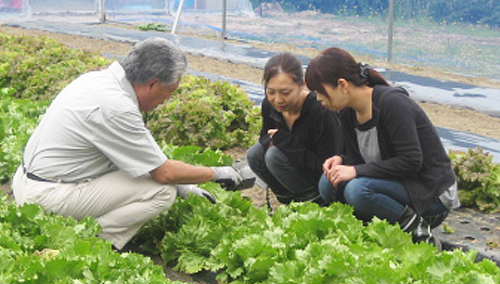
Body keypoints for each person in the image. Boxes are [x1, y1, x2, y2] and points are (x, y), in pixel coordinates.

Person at [12, 37, 243, 250]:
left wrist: (186, 185)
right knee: (161, 192)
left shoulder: (97, 81)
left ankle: (85, 234)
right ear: (152, 84)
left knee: (159, 182)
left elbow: (138, 158)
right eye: (170, 92)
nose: (167, 100)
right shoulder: (116, 107)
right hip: (47, 196)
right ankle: (91, 242)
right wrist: (217, 173)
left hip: (29, 183)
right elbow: (163, 174)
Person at [305, 47, 460, 245]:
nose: (319, 99)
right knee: (327, 183)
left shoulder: (392, 103)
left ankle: (420, 235)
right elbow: (362, 158)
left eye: (321, 92)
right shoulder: (347, 112)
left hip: (429, 192)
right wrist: (342, 160)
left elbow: (411, 161)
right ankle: (369, 234)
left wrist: (354, 170)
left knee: (357, 190)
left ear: (342, 85)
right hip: (395, 184)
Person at [246, 52, 342, 205]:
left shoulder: (320, 111)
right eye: (271, 92)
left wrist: (286, 143)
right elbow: (266, 138)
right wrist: (279, 142)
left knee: (274, 156)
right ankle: (288, 202)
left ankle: (313, 202)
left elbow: (326, 165)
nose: (278, 100)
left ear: (302, 84)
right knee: (255, 154)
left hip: (323, 180)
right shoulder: (269, 106)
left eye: (285, 93)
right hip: (292, 170)